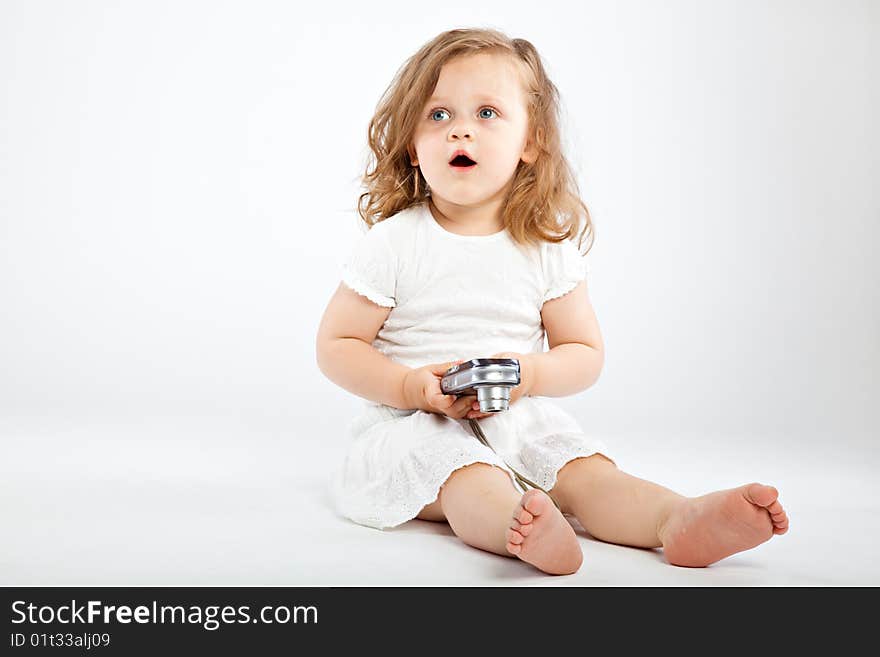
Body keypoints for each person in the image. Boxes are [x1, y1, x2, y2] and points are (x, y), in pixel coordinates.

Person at [315, 27, 788, 575]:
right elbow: (337, 343)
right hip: (413, 427)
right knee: (467, 477)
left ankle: (675, 519)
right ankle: (519, 528)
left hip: (516, 416)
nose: (460, 130)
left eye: (487, 113)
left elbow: (583, 351)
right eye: (438, 115)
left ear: (531, 142)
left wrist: (529, 376)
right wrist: (407, 385)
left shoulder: (545, 249)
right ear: (412, 148)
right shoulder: (394, 243)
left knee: (587, 472)